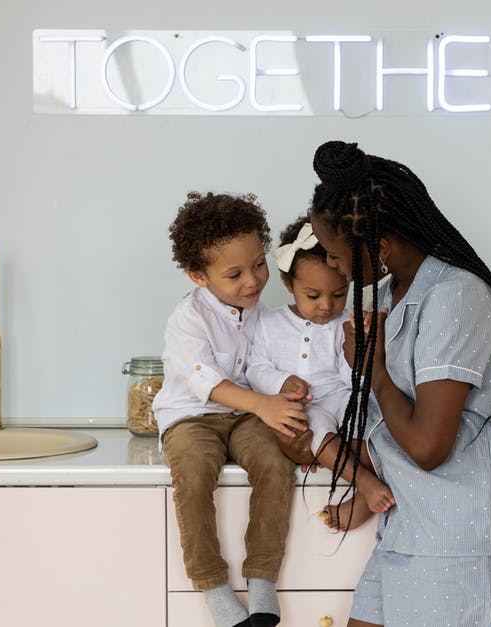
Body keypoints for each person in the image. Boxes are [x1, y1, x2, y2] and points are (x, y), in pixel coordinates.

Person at [306, 141, 491, 627]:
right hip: (411, 524)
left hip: (459, 540)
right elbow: (384, 429)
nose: (332, 267)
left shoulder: (456, 298)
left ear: (381, 248)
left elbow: (430, 446)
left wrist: (374, 371)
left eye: (334, 255)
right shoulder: (389, 294)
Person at [152, 192, 309, 627]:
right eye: (235, 274)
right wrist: (263, 402)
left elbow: (261, 365)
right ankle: (211, 584)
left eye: (259, 264)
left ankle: (262, 579)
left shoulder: (263, 315)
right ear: (198, 276)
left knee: (276, 462)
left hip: (243, 418)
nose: (253, 281)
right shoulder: (187, 319)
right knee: (196, 472)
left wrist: (283, 385)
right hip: (190, 416)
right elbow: (205, 380)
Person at [246, 216, 396, 530]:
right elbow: (256, 368)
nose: (326, 306)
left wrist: (361, 340)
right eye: (313, 295)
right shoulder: (269, 323)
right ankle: (365, 484)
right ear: (289, 284)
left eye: (339, 294)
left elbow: (351, 379)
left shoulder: (346, 323)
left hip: (341, 397)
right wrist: (281, 382)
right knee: (312, 429)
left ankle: (368, 493)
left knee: (376, 428)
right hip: (305, 408)